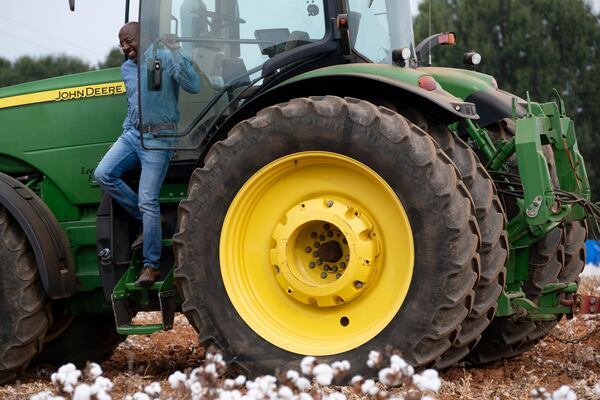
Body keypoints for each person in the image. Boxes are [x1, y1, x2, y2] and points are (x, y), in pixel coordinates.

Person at [94, 22, 200, 286]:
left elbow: (193, 85)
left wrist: (176, 51)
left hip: (160, 138)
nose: (125, 47)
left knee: (147, 198)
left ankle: (151, 266)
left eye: (129, 40)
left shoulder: (164, 58)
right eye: (121, 43)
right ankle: (149, 220)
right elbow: (133, 105)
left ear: (144, 36)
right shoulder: (126, 68)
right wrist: (122, 138)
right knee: (104, 173)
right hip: (132, 135)